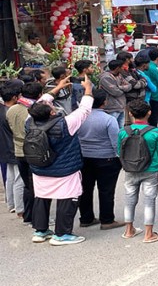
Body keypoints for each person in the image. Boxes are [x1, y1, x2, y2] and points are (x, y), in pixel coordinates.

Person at [27, 76, 93, 245]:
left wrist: (57, 88)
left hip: (40, 167)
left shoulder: (30, 122)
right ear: (51, 112)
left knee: (41, 197)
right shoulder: (65, 124)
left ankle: (40, 231)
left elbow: (38, 105)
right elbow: (85, 109)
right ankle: (62, 234)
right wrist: (88, 89)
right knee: (68, 198)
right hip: (65, 170)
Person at [117, 100, 158, 243]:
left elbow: (118, 151)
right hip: (150, 170)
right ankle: (148, 234)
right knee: (149, 201)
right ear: (149, 113)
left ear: (131, 114)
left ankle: (128, 230)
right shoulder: (155, 132)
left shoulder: (123, 132)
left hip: (130, 170)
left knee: (129, 199)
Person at [75, 88, 124, 230]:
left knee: (84, 189)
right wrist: (120, 158)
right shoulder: (109, 120)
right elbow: (116, 143)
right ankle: (107, 220)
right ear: (104, 102)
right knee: (106, 190)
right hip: (106, 158)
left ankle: (86, 218)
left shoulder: (79, 117)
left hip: (84, 157)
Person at [7, 81, 44, 225]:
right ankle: (37, 218)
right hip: (32, 151)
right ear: (39, 94)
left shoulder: (12, 109)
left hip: (18, 150)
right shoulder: (34, 110)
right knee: (35, 185)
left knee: (27, 185)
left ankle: (28, 215)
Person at [1, 83, 23, 217]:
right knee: (19, 179)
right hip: (13, 147)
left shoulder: (2, 109)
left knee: (10, 177)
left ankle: (11, 204)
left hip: (4, 148)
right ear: (15, 97)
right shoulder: (12, 113)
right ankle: (20, 208)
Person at [98, 59, 132, 128]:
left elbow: (129, 86)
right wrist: (122, 88)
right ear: (117, 68)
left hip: (121, 106)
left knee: (121, 128)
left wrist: (119, 87)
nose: (123, 68)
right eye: (122, 67)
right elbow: (116, 92)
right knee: (113, 127)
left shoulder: (119, 75)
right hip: (112, 108)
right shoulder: (105, 78)